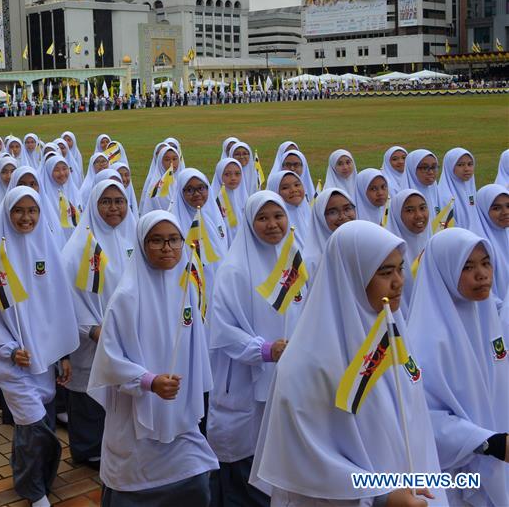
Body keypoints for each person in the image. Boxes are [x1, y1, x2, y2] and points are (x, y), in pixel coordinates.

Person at [250, 220, 447, 506]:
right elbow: (305, 459)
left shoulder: (391, 333)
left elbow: (411, 424)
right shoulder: (305, 364)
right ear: (352, 275)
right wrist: (380, 496)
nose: (398, 281)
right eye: (385, 272)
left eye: (400, 268)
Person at [89, 210, 218, 506]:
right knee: (136, 480)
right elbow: (110, 358)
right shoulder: (126, 296)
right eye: (157, 241)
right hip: (138, 411)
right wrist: (148, 381)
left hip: (179, 410)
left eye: (174, 240)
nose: (167, 248)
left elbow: (196, 345)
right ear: (142, 245)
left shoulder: (187, 288)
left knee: (194, 474)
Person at [0, 187, 78, 507]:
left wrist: (62, 354)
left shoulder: (47, 249)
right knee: (33, 426)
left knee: (30, 427)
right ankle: (34, 490)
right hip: (14, 363)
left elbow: (59, 306)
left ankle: (27, 475)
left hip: (44, 361)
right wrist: (7, 349)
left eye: (32, 210)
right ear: (7, 213)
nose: (26, 217)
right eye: (18, 210)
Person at [208, 192, 309, 507]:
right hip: (244, 379)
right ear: (250, 222)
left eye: (278, 216)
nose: (272, 224)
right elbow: (222, 330)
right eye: (262, 218)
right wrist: (264, 350)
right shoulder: (234, 269)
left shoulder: (293, 259)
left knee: (282, 450)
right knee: (246, 456)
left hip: (289, 376)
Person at [407, 228, 508, 506]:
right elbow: (423, 418)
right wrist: (488, 442)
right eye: (467, 266)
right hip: (455, 477)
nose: (482, 274)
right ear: (444, 271)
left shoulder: (486, 316)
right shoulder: (426, 340)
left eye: (486, 263)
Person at [61, 179, 137, 468]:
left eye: (119, 201)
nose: (114, 208)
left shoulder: (130, 237)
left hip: (123, 334)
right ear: (93, 205)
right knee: (88, 391)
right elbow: (68, 298)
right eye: (106, 202)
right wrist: (91, 329)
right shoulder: (80, 247)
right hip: (92, 336)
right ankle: (87, 448)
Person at [384, 189, 432, 315]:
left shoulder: (434, 246)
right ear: (397, 215)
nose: (419, 215)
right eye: (410, 210)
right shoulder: (389, 254)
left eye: (423, 208)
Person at [304, 188, 357, 278]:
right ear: (320, 217)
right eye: (333, 212)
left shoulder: (361, 246)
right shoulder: (312, 263)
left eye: (347, 209)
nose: (343, 216)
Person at [472, 184, 509, 304]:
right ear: (483, 210)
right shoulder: (476, 245)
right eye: (496, 208)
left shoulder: (506, 232)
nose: (505, 212)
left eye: (508, 206)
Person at [438, 147, 483, 233]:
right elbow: (443, 228)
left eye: (470, 164)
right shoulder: (444, 197)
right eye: (460, 165)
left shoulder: (471, 190)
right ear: (450, 167)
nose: (467, 169)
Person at [406, 149, 452, 232]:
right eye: (424, 168)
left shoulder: (435, 191)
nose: (431, 172)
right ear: (412, 169)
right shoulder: (404, 199)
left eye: (434, 167)